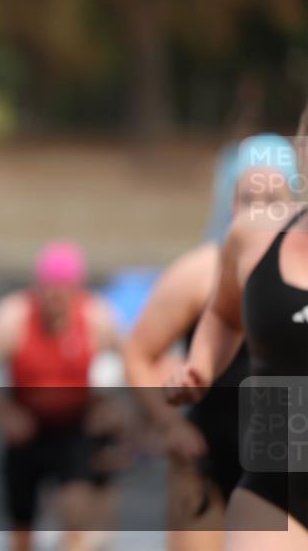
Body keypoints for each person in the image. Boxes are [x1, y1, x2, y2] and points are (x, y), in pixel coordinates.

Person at [124, 134, 299, 551]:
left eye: (272, 197)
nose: (258, 210)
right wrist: (168, 425)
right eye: (247, 197)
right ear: (228, 200)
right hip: (203, 450)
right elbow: (138, 352)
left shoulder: (299, 270)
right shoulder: (196, 273)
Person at [166, 109, 308, 551]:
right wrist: (201, 365)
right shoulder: (253, 238)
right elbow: (224, 314)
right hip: (277, 475)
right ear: (300, 151)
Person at [0, 241, 123, 551]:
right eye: (48, 289)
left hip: (75, 432)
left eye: (63, 290)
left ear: (76, 289)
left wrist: (121, 414)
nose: (54, 298)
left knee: (77, 521)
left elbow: (137, 362)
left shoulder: (97, 316)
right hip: (25, 433)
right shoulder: (13, 316)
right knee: (21, 535)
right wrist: (4, 414)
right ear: (37, 286)